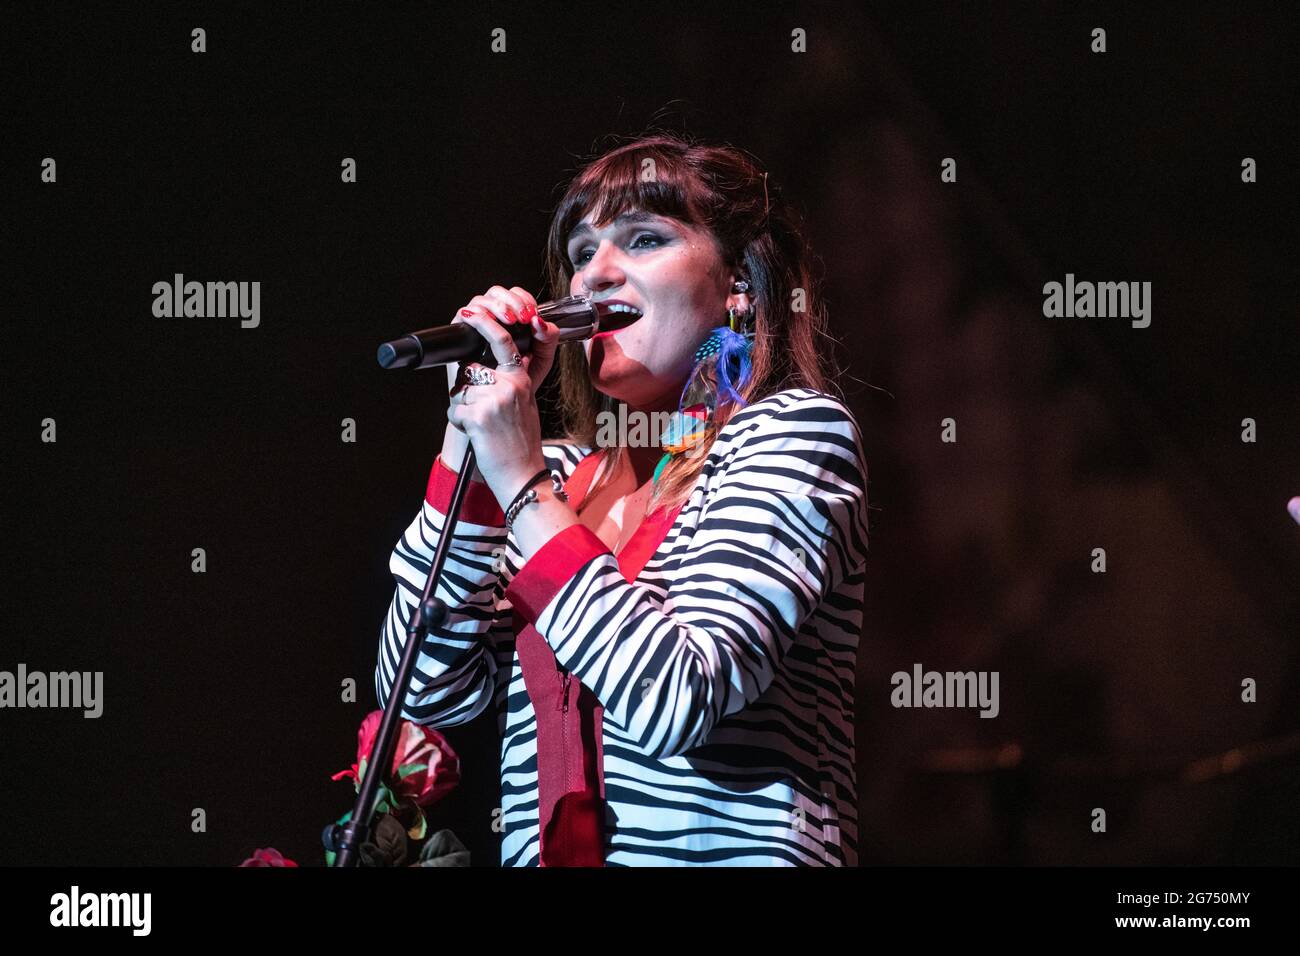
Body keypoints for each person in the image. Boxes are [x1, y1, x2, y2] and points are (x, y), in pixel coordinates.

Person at [375, 132, 869, 866]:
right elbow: (422, 699)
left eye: (642, 240)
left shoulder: (792, 435)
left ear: (738, 281)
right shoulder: (557, 476)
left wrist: (519, 484)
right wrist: (468, 451)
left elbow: (679, 697)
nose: (593, 278)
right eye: (580, 254)